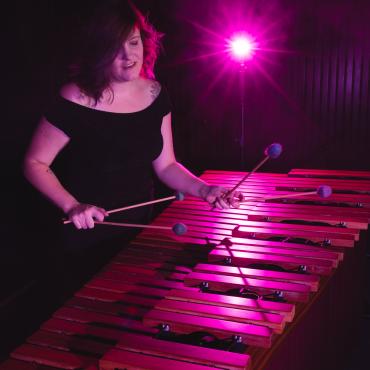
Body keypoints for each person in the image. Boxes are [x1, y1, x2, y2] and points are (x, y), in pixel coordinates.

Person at [22, 0, 240, 300]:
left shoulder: (155, 93)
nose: (129, 56)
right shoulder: (76, 98)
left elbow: (166, 166)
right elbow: (34, 162)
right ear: (99, 52)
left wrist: (205, 190)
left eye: (134, 42)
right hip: (86, 236)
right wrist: (72, 206)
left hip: (140, 231)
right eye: (116, 48)